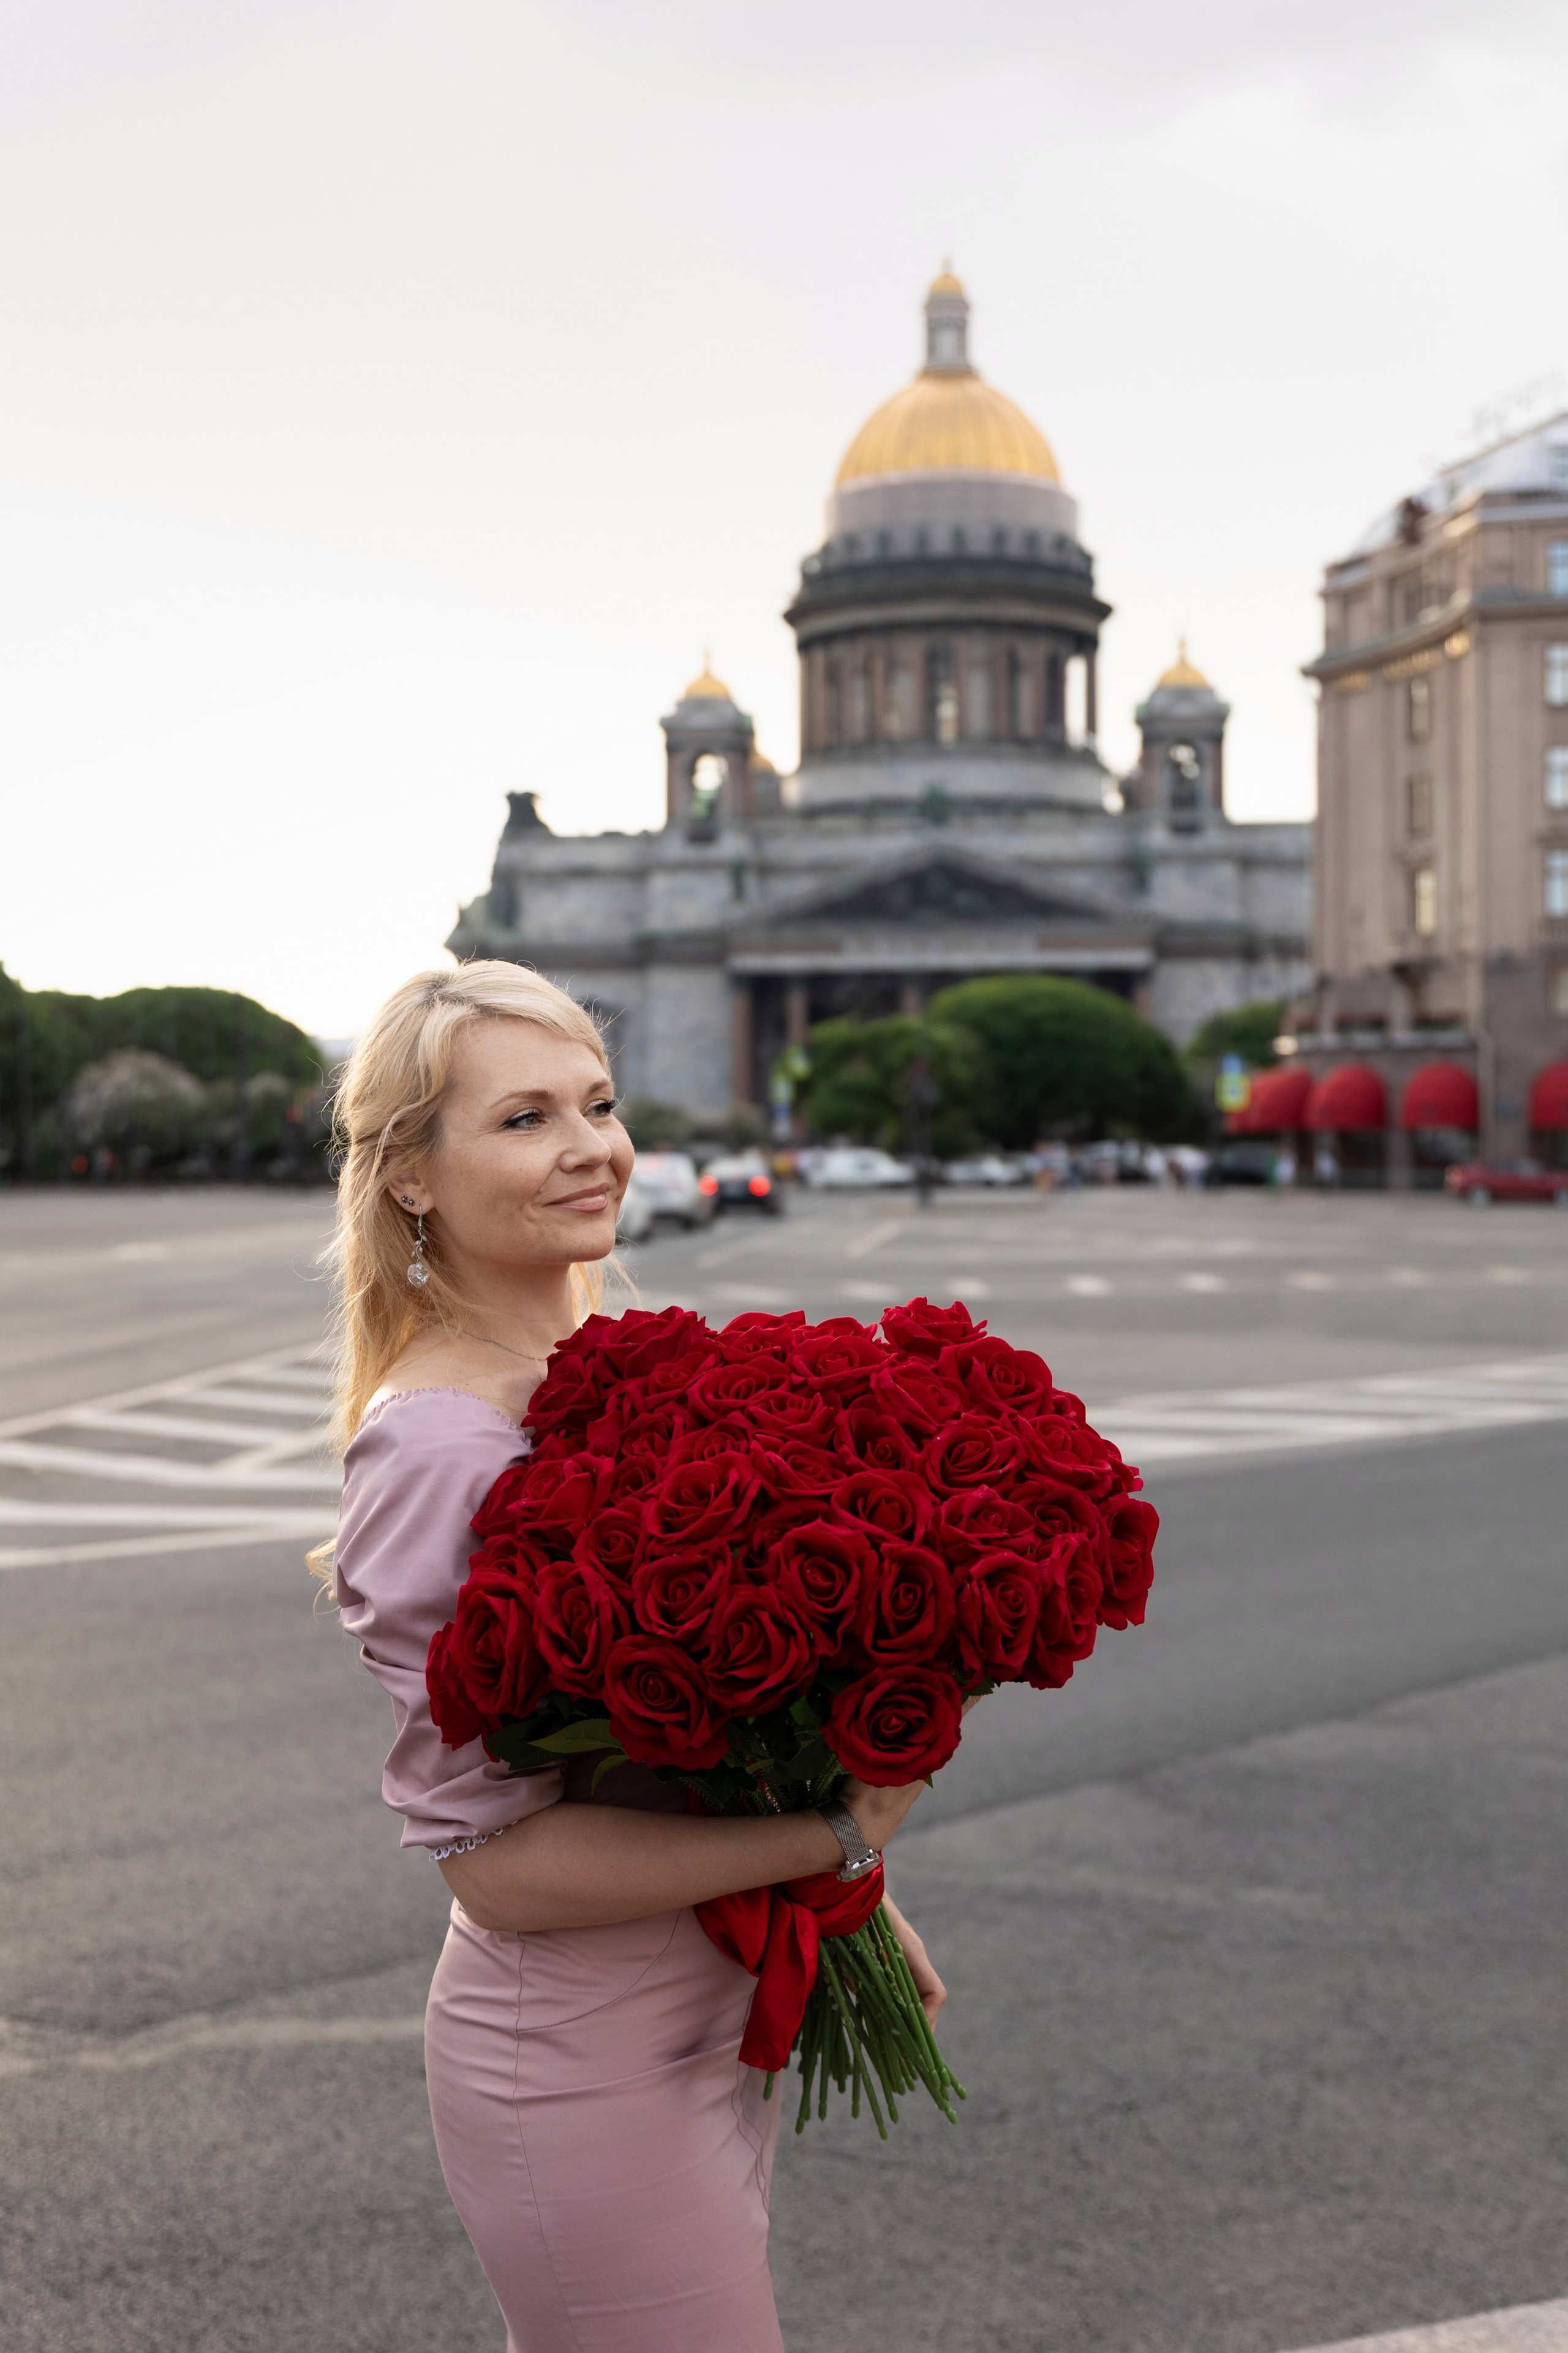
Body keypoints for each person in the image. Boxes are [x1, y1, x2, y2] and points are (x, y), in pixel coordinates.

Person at [320, 963, 948, 2353]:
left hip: (706, 2007)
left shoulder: (613, 1365)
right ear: (412, 1176)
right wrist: (828, 1838)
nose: (589, 1146)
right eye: (523, 1117)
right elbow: (494, 1862)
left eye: (596, 1103)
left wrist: (844, 1897)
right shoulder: (440, 1445)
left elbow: (701, 1751)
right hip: (578, 2056)